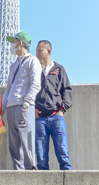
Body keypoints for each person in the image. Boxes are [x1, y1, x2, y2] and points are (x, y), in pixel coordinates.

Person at [1, 31, 41, 171]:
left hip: (23, 106)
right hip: (11, 106)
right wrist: (3, 108)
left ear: (21, 43)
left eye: (14, 41)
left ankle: (31, 171)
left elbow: (36, 83)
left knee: (26, 140)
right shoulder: (13, 65)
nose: (12, 45)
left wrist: (27, 102)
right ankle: (18, 172)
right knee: (14, 143)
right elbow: (8, 87)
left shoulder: (32, 61)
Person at [34, 39, 73, 170]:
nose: (37, 53)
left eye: (40, 50)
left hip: (56, 117)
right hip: (39, 119)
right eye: (36, 50)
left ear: (48, 51)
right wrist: (33, 108)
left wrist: (62, 110)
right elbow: (28, 89)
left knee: (63, 155)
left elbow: (67, 90)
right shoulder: (34, 69)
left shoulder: (59, 69)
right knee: (41, 158)